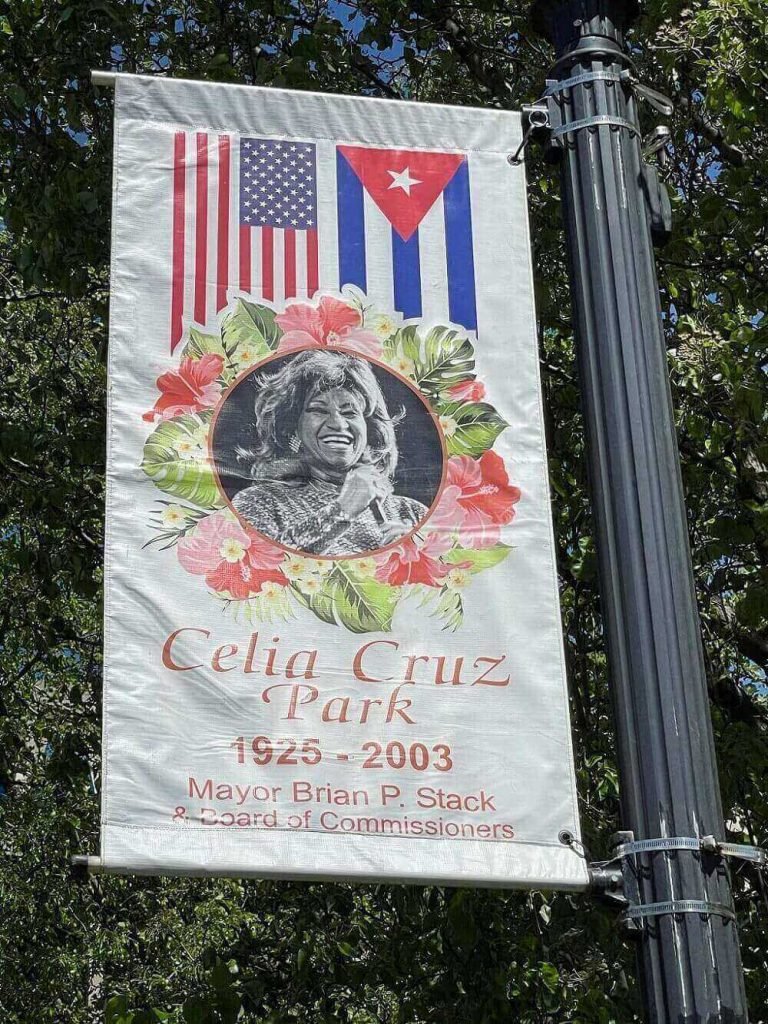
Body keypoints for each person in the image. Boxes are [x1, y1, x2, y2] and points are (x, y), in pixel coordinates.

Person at [231, 349, 428, 556]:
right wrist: (342, 510)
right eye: (319, 410)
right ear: (291, 427)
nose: (338, 424)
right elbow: (266, 564)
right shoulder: (259, 503)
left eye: (349, 412)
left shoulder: (412, 513)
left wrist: (414, 558)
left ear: (369, 429)